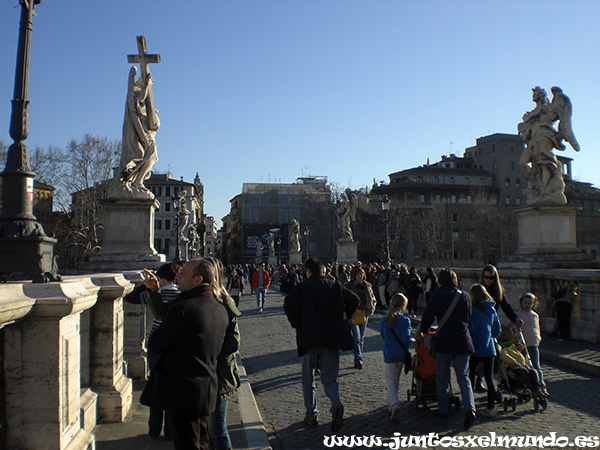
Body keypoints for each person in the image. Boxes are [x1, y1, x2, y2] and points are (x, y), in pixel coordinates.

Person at [147, 258, 229, 450]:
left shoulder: (184, 309)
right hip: (208, 388)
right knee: (201, 442)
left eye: (184, 272)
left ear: (197, 280)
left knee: (188, 444)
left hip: (183, 393)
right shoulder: (219, 308)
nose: (178, 275)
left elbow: (155, 344)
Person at [283, 258, 359, 432]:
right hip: (331, 338)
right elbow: (354, 300)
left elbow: (288, 303)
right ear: (324, 272)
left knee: (308, 379)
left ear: (309, 272)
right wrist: (344, 319)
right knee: (330, 378)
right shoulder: (334, 286)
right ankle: (336, 403)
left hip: (310, 338)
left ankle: (311, 414)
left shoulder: (303, 287)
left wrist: (296, 323)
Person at [125, 262, 180, 440]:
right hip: (174, 346)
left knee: (156, 386)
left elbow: (131, 298)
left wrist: (146, 286)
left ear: (162, 279)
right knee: (173, 388)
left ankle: (154, 429)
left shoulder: (156, 293)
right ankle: (171, 431)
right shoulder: (181, 294)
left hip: (156, 345)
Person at [419, 268, 476, 429]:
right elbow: (468, 318)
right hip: (463, 341)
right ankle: (470, 409)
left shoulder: (437, 296)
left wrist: (423, 330)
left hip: (444, 341)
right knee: (464, 377)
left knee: (443, 378)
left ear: (441, 281)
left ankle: (443, 409)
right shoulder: (464, 296)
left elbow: (428, 317)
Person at [206, 257, 242, 450]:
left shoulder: (223, 302)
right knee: (212, 429)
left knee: (218, 429)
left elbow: (234, 342)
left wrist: (213, 356)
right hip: (213, 374)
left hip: (219, 374)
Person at [468, 284, 501, 418]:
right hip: (489, 348)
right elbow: (497, 330)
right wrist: (489, 337)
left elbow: (472, 329)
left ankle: (469, 404)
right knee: (489, 378)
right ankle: (491, 406)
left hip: (476, 348)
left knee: (470, 376)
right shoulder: (491, 310)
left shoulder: (473, 311)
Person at [380, 293, 412, 423]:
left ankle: (394, 404)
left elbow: (383, 336)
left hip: (389, 353)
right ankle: (392, 403)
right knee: (395, 379)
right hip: (401, 354)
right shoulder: (405, 321)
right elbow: (406, 339)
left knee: (391, 380)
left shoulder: (384, 320)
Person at [344, 266, 377, 369]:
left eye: (361, 274)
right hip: (353, 314)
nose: (360, 276)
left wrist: (371, 309)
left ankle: (358, 356)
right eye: (358, 274)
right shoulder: (349, 286)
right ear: (354, 275)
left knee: (361, 338)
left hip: (364, 314)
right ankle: (358, 358)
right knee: (357, 337)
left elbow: (373, 299)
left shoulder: (367, 286)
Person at [517, 292, 548, 396]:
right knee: (524, 366)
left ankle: (541, 387)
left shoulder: (535, 315)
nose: (527, 305)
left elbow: (537, 328)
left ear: (533, 304)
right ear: (521, 302)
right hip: (522, 345)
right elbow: (511, 329)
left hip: (533, 344)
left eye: (529, 303)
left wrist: (538, 338)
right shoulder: (518, 315)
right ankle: (525, 385)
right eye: (525, 302)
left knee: (536, 366)